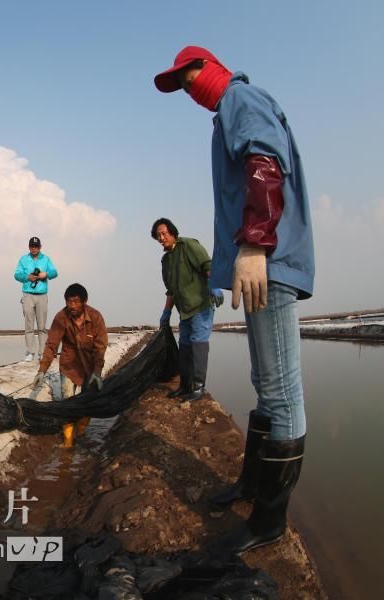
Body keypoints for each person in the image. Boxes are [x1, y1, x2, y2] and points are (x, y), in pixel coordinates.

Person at [155, 46, 314, 554]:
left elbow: (266, 161)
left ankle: (269, 522)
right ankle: (252, 487)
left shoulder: (240, 99)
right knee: (265, 383)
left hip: (267, 259)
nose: (188, 88)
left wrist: (253, 242)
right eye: (180, 84)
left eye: (190, 74)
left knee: (282, 389)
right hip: (259, 263)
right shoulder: (226, 112)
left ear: (214, 67)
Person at [152, 218, 224, 401]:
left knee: (198, 345)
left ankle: (198, 387)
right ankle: (185, 385)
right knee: (184, 347)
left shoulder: (188, 245)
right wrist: (166, 313)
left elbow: (207, 265)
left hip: (200, 306)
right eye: (158, 236)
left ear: (173, 233)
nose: (161, 238)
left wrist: (214, 285)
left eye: (164, 233)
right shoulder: (166, 260)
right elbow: (171, 290)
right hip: (184, 312)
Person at [33, 284, 108, 448]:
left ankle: (80, 433)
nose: (72, 306)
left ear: (84, 302)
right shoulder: (61, 317)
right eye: (69, 302)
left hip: (90, 367)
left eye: (76, 301)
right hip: (69, 366)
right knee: (68, 402)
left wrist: (97, 372)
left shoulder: (95, 318)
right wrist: (41, 371)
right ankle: (68, 442)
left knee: (87, 403)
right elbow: (51, 345)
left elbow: (100, 347)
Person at [14, 236, 58, 361]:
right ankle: (29, 352)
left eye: (36, 246)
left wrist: (47, 274)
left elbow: (55, 272)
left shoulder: (46, 259)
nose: (34, 248)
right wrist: (27, 277)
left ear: (40, 247)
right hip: (27, 295)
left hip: (42, 295)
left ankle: (42, 353)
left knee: (42, 326)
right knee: (29, 325)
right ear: (29, 247)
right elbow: (16, 275)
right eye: (32, 246)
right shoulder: (23, 259)